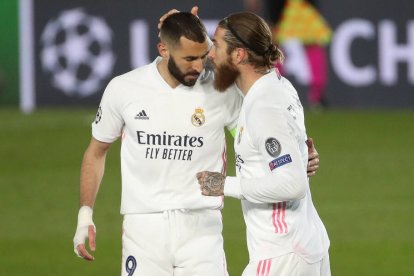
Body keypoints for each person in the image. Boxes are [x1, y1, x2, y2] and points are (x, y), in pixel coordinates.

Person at [73, 10, 320, 276]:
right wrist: (85, 213)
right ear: (164, 49)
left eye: (203, 57)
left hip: (203, 231)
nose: (199, 67)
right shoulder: (124, 89)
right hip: (144, 228)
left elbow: (258, 137)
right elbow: (96, 152)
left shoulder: (222, 91)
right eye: (189, 59)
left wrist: (296, 154)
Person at [197, 11, 330, 275]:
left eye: (217, 46)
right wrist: (303, 155)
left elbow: (293, 183)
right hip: (304, 245)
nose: (210, 54)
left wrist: (223, 184)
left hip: (282, 254)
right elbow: (288, 153)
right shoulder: (278, 86)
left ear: (239, 55)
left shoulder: (263, 107)